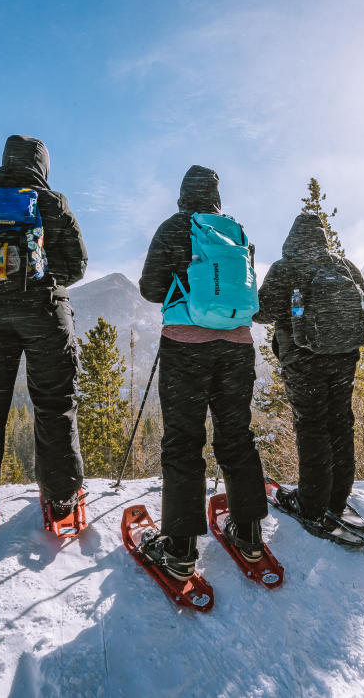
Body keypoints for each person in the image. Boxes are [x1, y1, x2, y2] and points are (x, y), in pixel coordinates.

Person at [0, 135, 88, 540]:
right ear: (41, 165)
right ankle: (62, 498)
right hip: (44, 316)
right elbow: (76, 267)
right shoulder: (52, 202)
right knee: (55, 404)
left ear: (5, 161)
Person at [137, 165, 268, 580]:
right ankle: (248, 534)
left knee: (183, 441)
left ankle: (179, 549)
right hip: (238, 347)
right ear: (216, 195)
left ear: (182, 195)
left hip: (185, 347)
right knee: (236, 436)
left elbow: (150, 287)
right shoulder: (237, 231)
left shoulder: (175, 227)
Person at [254, 212, 364, 543]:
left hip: (303, 361)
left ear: (291, 238)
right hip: (345, 358)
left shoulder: (285, 268)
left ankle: (311, 504)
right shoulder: (344, 266)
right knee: (340, 424)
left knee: (312, 428)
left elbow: (260, 312)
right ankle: (337, 499)